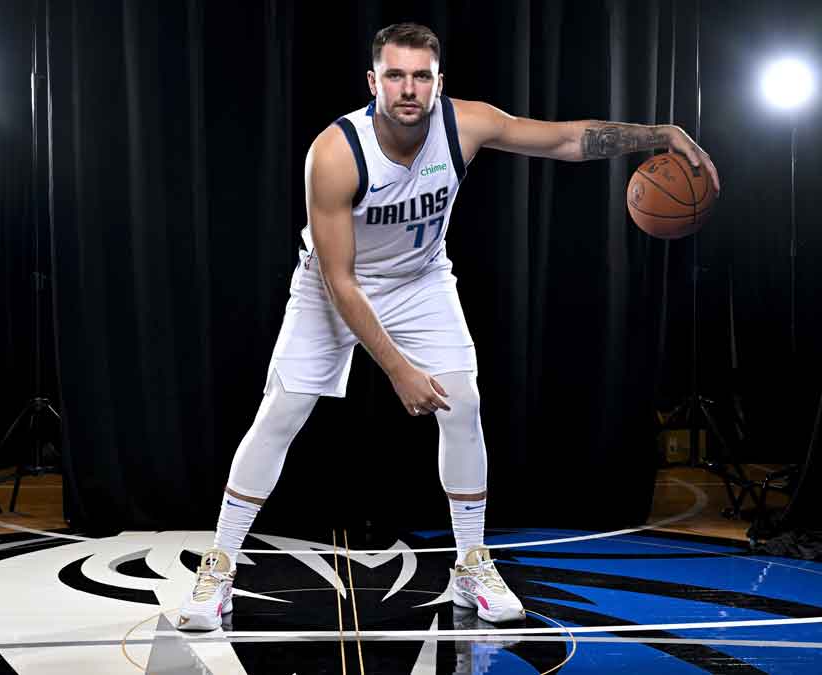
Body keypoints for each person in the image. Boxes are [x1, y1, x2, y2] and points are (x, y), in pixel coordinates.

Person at [177, 22, 721, 631]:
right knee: (283, 411)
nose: (407, 89)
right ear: (372, 82)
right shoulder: (333, 153)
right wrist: (398, 368)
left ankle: (471, 563)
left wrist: (660, 134)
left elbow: (566, 141)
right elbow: (341, 280)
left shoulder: (466, 123)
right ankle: (219, 566)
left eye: (420, 76)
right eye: (394, 75)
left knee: (462, 403)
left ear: (439, 82)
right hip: (332, 286)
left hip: (420, 281)